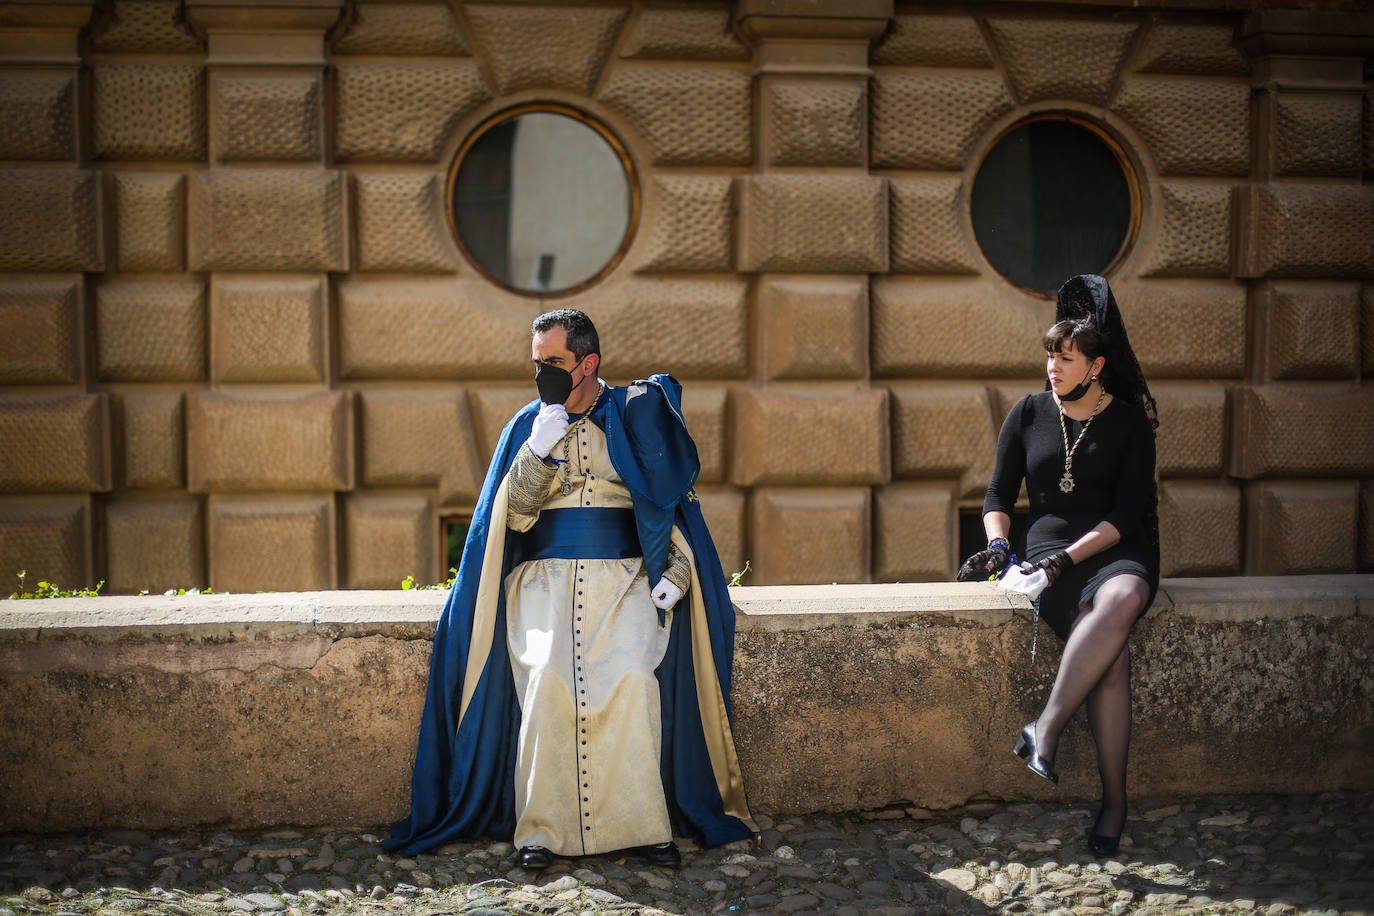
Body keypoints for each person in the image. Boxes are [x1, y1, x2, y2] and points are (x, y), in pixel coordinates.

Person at [384, 308, 753, 869]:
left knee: (631, 679)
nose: (542, 375)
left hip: (625, 581)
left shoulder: (635, 417)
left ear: (587, 363)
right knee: (547, 679)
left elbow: (666, 511)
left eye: (553, 363)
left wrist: (675, 578)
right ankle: (540, 833)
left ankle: (642, 826)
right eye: (537, 364)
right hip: (542, 586)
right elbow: (515, 519)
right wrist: (535, 454)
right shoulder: (527, 426)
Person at [958, 274, 1160, 857]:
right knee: (1113, 660)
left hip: (1112, 546)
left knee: (1121, 599)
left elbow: (1128, 513)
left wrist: (1063, 561)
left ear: (1096, 366)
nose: (1053, 368)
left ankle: (1045, 729)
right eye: (1050, 357)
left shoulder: (1127, 422)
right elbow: (997, 498)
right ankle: (1114, 802)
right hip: (1046, 552)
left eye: (1066, 359)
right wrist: (1001, 548)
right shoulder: (1025, 414)